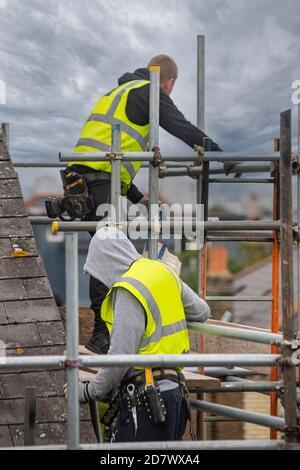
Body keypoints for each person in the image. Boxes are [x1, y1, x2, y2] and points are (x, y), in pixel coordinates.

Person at [68, 54, 221, 355]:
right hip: (97, 178)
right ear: (169, 81)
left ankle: (105, 333)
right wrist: (220, 154)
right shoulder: (148, 91)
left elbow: (114, 156)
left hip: (82, 178)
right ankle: (102, 334)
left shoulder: (119, 92)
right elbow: (182, 127)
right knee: (108, 249)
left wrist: (138, 197)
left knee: (105, 246)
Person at [78, 226, 210, 442]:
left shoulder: (129, 289)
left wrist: (88, 391)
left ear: (105, 263)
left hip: (147, 400)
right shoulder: (162, 271)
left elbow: (120, 358)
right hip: (176, 394)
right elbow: (202, 311)